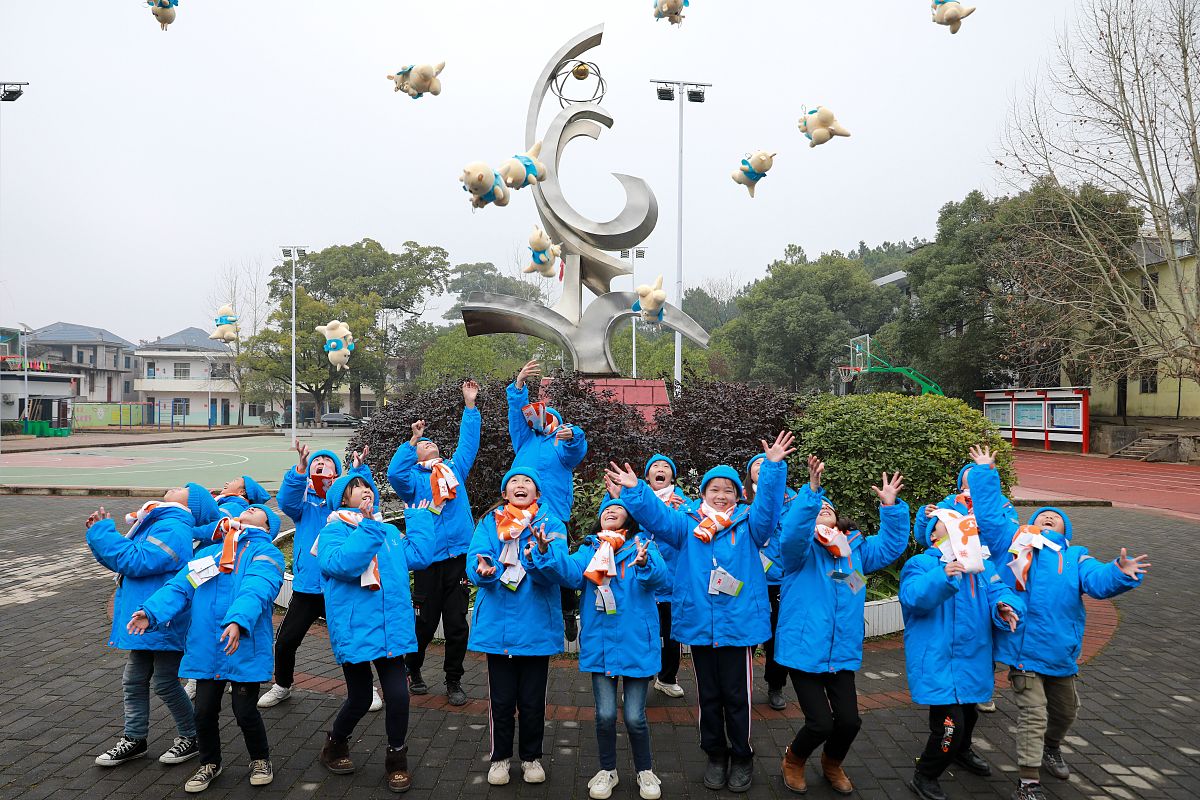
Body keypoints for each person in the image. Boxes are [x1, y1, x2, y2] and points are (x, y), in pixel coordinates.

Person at [605, 431, 795, 794]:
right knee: (708, 696)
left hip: (738, 626)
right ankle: (716, 754)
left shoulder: (750, 523)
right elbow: (657, 518)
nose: (721, 495)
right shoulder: (687, 524)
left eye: (728, 490)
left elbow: (770, 511)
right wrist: (635, 491)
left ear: (739, 495)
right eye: (713, 489)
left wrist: (771, 468)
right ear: (703, 494)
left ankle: (742, 755)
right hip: (699, 624)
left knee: (737, 697)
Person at [965, 445, 1150, 800]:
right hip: (1024, 652)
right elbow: (988, 517)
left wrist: (1119, 573)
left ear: (1067, 530)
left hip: (1061, 653)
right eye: (1042, 515)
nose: (1048, 517)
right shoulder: (1016, 542)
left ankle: (1053, 747)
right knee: (1033, 715)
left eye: (1056, 516)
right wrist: (985, 473)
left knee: (1066, 712)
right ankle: (1028, 780)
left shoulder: (1076, 556)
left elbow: (1098, 581)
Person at [776, 457, 910, 795]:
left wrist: (891, 507)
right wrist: (812, 491)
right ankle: (793, 759)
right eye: (816, 508)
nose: (822, 509)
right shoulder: (799, 553)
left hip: (842, 649)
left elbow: (892, 546)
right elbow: (792, 534)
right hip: (804, 649)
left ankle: (832, 763)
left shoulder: (856, 550)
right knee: (820, 722)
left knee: (850, 721)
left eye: (827, 507)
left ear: (838, 518)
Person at [129, 504, 286, 793]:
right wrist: (150, 612)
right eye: (247, 507)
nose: (248, 509)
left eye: (256, 510)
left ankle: (260, 759)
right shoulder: (211, 554)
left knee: (245, 712)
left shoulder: (266, 553)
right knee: (203, 712)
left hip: (243, 647)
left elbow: (258, 587)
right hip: (207, 649)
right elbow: (180, 588)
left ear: (267, 527)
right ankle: (210, 763)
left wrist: (238, 620)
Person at [532, 497, 668, 800]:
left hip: (637, 645)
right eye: (606, 509)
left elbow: (661, 579)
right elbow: (568, 573)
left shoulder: (643, 545)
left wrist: (645, 564)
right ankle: (608, 770)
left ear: (629, 519)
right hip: (602, 645)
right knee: (605, 715)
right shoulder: (589, 550)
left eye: (618, 508)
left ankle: (645, 770)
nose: (610, 511)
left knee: (635, 717)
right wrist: (544, 552)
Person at [315, 472, 438, 793]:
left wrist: (420, 518)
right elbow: (342, 564)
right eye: (356, 489)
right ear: (343, 499)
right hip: (355, 629)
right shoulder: (332, 531)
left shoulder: (388, 531)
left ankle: (397, 760)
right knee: (358, 698)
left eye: (368, 487)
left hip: (391, 630)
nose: (365, 491)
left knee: (398, 696)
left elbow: (420, 556)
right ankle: (335, 744)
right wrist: (368, 527)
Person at [85, 483, 219, 768]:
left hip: (163, 620)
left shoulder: (174, 528)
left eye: (184, 488)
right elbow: (124, 560)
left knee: (165, 682)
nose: (175, 487)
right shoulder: (160, 521)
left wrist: (102, 534)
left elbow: (136, 560)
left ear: (191, 504)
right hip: (147, 618)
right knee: (134, 681)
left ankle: (191, 736)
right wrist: (98, 537)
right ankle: (135, 738)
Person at [900, 505, 1026, 800]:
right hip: (937, 658)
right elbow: (912, 597)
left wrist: (1005, 607)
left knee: (968, 716)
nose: (958, 524)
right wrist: (944, 575)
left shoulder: (982, 566)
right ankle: (926, 774)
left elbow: (1000, 592)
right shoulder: (921, 563)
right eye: (947, 521)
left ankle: (961, 751)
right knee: (950, 726)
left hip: (973, 657)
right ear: (933, 535)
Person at [467, 466, 571, 787]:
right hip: (499, 627)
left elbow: (559, 569)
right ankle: (499, 758)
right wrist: (483, 569)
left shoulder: (551, 524)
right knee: (500, 700)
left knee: (532, 700)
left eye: (528, 482)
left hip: (536, 626)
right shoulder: (490, 522)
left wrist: (541, 552)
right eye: (514, 481)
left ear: (537, 494)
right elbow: (477, 557)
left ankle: (531, 758)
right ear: (505, 493)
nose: (521, 485)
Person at [260, 443, 381, 711]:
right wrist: (300, 469)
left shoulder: (344, 507)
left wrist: (360, 470)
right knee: (286, 641)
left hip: (339, 587)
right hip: (307, 587)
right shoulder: (304, 505)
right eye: (318, 459)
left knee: (351, 639)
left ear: (337, 474)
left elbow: (369, 501)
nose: (321, 462)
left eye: (328, 460)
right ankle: (282, 684)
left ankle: (367, 689)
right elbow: (286, 500)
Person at [386, 380, 481, 705]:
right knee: (424, 625)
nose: (430, 444)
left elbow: (468, 445)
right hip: (426, 560)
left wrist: (470, 406)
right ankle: (413, 670)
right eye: (423, 444)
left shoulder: (453, 469)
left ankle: (453, 680)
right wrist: (412, 439)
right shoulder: (412, 480)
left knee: (456, 625)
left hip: (458, 559)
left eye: (430, 442)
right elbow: (394, 474)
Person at [920, 459, 1020, 715]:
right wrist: (925, 517)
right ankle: (949, 691)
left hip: (988, 566)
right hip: (954, 569)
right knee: (958, 628)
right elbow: (927, 536)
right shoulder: (948, 504)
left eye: (975, 481)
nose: (969, 487)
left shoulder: (1000, 504)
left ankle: (982, 688)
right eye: (966, 482)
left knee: (985, 630)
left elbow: (1009, 533)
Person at [506, 359, 588, 643]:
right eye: (537, 417)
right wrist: (519, 386)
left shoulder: (561, 445)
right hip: (519, 512)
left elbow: (577, 450)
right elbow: (517, 416)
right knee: (521, 556)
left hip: (552, 512)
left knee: (558, 556)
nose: (541, 421)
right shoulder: (524, 440)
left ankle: (568, 612)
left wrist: (573, 435)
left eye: (548, 418)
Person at [745, 452, 794, 711]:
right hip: (750, 582)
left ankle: (776, 686)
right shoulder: (742, 500)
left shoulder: (794, 499)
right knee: (748, 636)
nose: (762, 468)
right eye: (756, 465)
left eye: (767, 464)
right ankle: (743, 685)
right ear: (749, 474)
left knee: (777, 637)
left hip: (782, 581)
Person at [641, 454, 688, 700]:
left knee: (671, 636)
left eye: (666, 467)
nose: (661, 469)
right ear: (647, 476)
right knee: (644, 633)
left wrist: (679, 514)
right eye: (655, 467)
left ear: (672, 476)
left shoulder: (683, 502)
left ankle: (667, 679)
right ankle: (638, 682)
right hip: (645, 582)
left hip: (673, 582)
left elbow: (694, 529)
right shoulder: (637, 500)